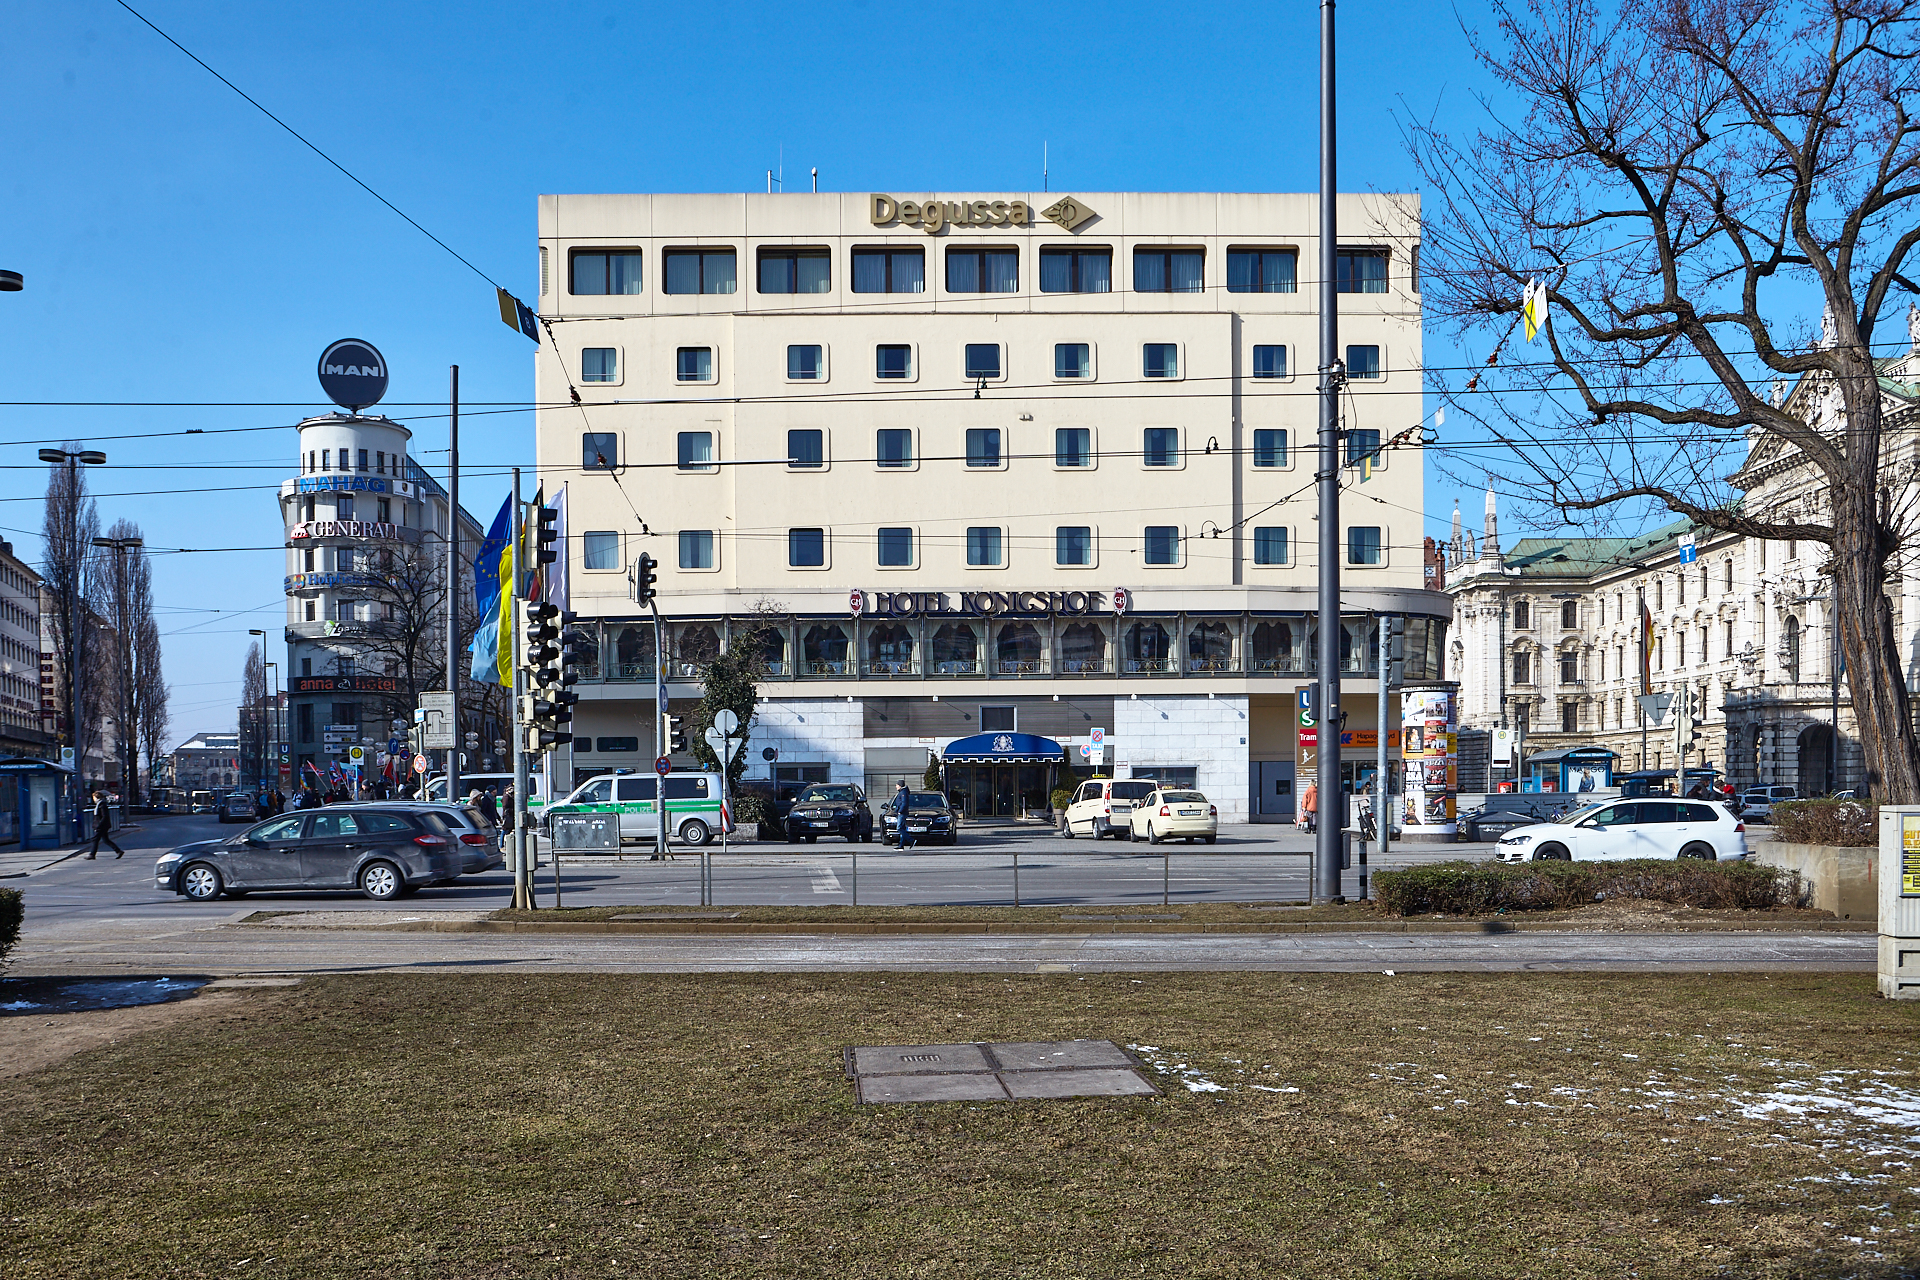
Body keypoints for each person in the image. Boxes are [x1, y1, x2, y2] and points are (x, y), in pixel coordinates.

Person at [85, 789, 125, 860]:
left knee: (95, 839)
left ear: (97, 797)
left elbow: (104, 816)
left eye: (94, 797)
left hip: (101, 826)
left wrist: (99, 825)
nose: (93, 799)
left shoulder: (102, 805)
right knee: (106, 840)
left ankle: (92, 854)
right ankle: (118, 851)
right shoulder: (100, 804)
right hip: (103, 825)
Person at [891, 780, 915, 848]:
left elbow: (904, 803)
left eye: (897, 785)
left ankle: (911, 840)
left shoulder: (903, 792)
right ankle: (901, 845)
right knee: (902, 829)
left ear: (900, 785)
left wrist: (900, 811)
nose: (896, 787)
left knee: (899, 828)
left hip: (902, 813)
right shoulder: (902, 792)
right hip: (902, 812)